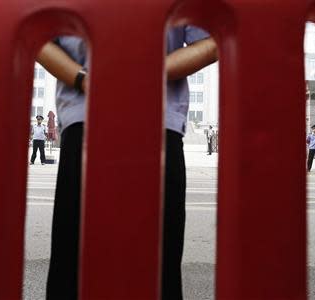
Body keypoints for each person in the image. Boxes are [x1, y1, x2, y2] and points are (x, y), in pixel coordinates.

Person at [37, 27, 218, 300]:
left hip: (142, 116)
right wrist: (88, 80)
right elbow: (40, 38)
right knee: (81, 255)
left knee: (148, 256)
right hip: (96, 114)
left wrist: (143, 72)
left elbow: (210, 42)